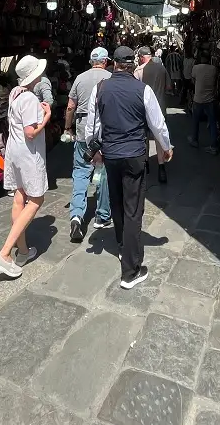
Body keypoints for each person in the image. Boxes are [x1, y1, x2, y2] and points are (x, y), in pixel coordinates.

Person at [86, 46, 173, 289]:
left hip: (111, 154)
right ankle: (131, 271)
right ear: (132, 64)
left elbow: (93, 125)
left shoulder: (100, 88)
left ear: (114, 64)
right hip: (135, 154)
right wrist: (166, 147)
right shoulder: (142, 90)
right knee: (133, 209)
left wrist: (94, 151)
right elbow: (158, 123)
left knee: (116, 201)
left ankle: (123, 245)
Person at [0, 55, 51, 278]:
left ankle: (23, 250)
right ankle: (5, 253)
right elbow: (31, 132)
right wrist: (46, 116)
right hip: (28, 153)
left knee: (20, 195)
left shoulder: (16, 95)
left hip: (14, 151)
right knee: (36, 199)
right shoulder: (29, 100)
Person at [65, 46, 112, 241]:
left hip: (83, 130)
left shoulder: (80, 78)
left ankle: (76, 215)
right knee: (103, 172)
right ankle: (102, 215)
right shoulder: (111, 78)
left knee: (80, 172)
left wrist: (68, 128)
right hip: (105, 132)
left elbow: (70, 106)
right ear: (106, 61)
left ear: (91, 61)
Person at [135, 45, 172, 185]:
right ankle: (161, 167)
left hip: (143, 109)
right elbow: (169, 87)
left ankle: (146, 165)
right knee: (158, 136)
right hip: (160, 107)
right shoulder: (162, 69)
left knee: (143, 136)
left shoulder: (139, 70)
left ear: (141, 57)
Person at [189, 53, 219, 153]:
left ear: (201, 59)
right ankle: (214, 146)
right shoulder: (214, 69)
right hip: (210, 99)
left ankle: (194, 140)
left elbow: (193, 81)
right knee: (212, 122)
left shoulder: (196, 68)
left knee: (195, 121)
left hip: (198, 99)